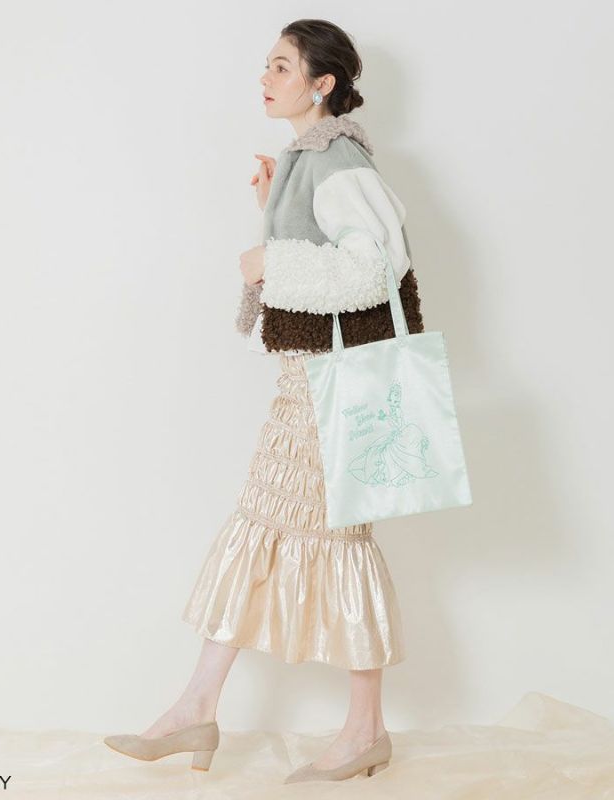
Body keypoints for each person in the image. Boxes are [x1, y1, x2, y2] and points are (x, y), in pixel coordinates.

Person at [104, 18, 425, 783]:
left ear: (322, 83)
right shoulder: (309, 160)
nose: (266, 78)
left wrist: (270, 259)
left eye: (282, 66)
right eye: (267, 65)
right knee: (266, 529)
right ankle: (199, 706)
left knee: (335, 542)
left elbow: (375, 267)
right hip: (306, 385)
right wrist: (275, 204)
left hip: (334, 388)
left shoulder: (338, 160)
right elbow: (329, 256)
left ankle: (361, 731)